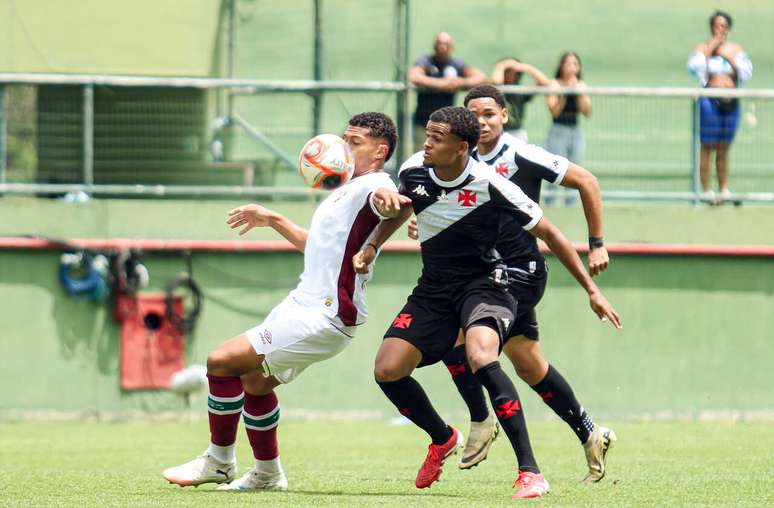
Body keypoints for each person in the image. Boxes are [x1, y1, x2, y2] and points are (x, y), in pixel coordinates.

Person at [354, 106, 621, 499]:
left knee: (482, 354)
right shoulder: (413, 170)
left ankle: (530, 471)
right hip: (434, 289)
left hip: (487, 284)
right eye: (427, 134)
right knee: (387, 369)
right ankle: (444, 437)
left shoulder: (491, 182)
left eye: (437, 138)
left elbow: (551, 233)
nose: (427, 143)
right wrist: (373, 244)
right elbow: (407, 204)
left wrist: (592, 290)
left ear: (462, 148)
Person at [162, 112, 409, 491]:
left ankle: (219, 460)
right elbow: (318, 248)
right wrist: (273, 218)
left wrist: (391, 200)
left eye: (354, 142)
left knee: (220, 361)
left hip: (325, 314)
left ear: (381, 151)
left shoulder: (373, 184)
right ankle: (267, 473)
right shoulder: (344, 191)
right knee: (256, 383)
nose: (344, 148)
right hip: (303, 304)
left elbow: (388, 200)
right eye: (344, 139)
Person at [413, 84, 615, 482]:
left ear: (505, 116)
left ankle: (481, 421)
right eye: (475, 116)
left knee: (462, 337)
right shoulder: (455, 161)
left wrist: (596, 245)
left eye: (490, 114)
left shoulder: (522, 155)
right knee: (528, 364)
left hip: (517, 272)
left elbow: (587, 182)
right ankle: (590, 432)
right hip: (482, 273)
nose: (483, 122)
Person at [687, 10, 753, 204]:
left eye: (723, 26)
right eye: (717, 25)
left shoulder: (736, 49)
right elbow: (694, 67)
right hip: (710, 100)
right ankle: (705, 190)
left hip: (730, 101)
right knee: (706, 147)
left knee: (724, 148)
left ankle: (723, 188)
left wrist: (728, 57)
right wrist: (711, 49)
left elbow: (746, 71)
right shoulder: (703, 48)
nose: (720, 29)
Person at [409, 32, 486, 151]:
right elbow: (414, 77)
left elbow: (480, 77)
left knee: (444, 154)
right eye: (439, 44)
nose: (442, 47)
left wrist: (461, 82)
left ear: (451, 48)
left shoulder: (456, 64)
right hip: (424, 121)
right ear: (434, 46)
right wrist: (441, 84)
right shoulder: (426, 61)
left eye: (446, 44)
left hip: (447, 124)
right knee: (423, 154)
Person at [545, 52, 591, 206]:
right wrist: (564, 93)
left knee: (576, 169)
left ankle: (570, 205)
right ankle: (549, 204)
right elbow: (554, 111)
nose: (572, 67)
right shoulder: (555, 84)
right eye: (568, 63)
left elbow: (587, 112)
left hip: (575, 130)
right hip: (558, 130)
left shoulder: (581, 85)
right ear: (561, 66)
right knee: (554, 169)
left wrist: (579, 93)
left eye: (575, 64)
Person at [491, 57, 551, 143]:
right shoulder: (496, 90)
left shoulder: (519, 91)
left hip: (517, 133)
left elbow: (545, 83)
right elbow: (496, 82)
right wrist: (502, 65)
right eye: (508, 71)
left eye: (514, 72)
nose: (511, 74)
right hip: (499, 133)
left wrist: (524, 67)